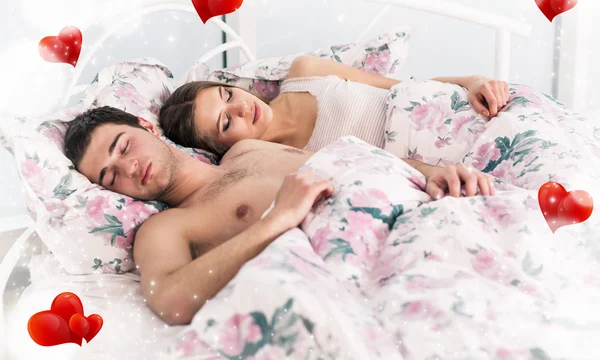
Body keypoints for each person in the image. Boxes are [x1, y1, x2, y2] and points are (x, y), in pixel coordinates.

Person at [64, 106, 496, 326]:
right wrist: (276, 220)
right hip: (366, 275)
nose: (127, 168)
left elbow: (361, 159)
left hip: (427, 218)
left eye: (123, 147)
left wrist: (433, 173)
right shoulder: (165, 227)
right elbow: (170, 301)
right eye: (109, 175)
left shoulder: (246, 148)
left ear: (146, 126)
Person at [159, 55, 510, 156]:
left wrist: (472, 80)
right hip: (455, 162)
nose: (240, 108)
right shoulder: (283, 164)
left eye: (227, 95)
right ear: (220, 148)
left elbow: (402, 87)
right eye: (224, 123)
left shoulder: (304, 72)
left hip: (474, 108)